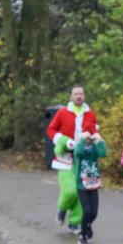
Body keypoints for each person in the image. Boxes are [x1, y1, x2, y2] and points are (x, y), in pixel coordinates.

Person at [46, 85, 99, 234]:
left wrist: (93, 142)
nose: (79, 96)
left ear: (84, 96)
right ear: (71, 96)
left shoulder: (90, 114)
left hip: (83, 159)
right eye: (76, 94)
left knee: (82, 192)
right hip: (65, 157)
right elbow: (51, 130)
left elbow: (95, 133)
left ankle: (74, 223)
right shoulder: (63, 112)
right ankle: (62, 209)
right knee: (70, 191)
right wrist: (62, 140)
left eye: (81, 94)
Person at [74, 129, 107, 244]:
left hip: (93, 185)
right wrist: (83, 139)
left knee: (94, 213)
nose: (88, 141)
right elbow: (78, 152)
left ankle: (87, 225)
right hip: (82, 185)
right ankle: (83, 235)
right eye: (87, 140)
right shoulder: (80, 150)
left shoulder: (94, 150)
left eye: (89, 140)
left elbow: (103, 153)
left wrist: (99, 140)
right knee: (87, 211)